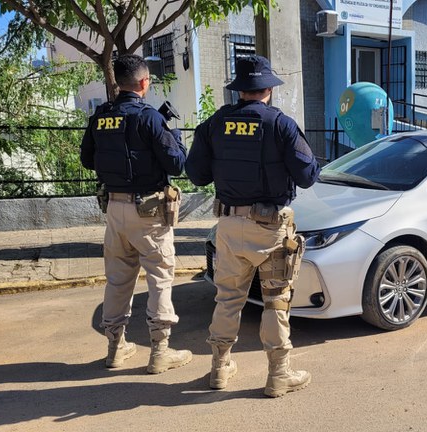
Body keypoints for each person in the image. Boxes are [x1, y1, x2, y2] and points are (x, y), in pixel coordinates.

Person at [185, 55, 321, 397]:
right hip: (271, 228)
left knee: (227, 298)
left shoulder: (215, 124)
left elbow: (196, 174)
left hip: (229, 225)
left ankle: (219, 368)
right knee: (276, 300)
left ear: (240, 91)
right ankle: (278, 374)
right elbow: (308, 176)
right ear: (268, 91)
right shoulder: (281, 125)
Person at [80, 54, 192, 374]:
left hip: (114, 209)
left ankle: (115, 349)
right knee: (159, 277)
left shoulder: (101, 116)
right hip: (150, 211)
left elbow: (88, 160)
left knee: (117, 280)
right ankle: (160, 352)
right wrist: (175, 137)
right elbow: (176, 164)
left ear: (118, 83)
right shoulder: (150, 118)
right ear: (145, 83)